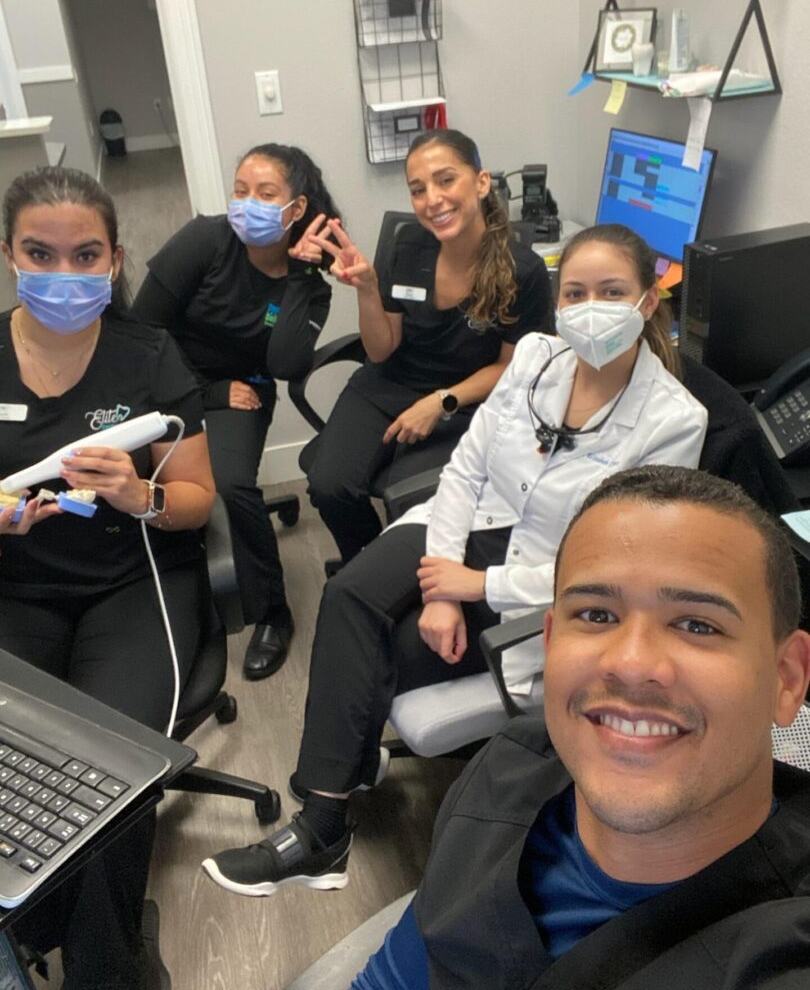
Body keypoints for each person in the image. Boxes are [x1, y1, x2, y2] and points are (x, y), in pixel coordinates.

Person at [202, 223, 709, 897]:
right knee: (350, 592)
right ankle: (329, 809)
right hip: (474, 522)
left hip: (547, 581)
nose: (590, 307)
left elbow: (625, 571)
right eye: (576, 291)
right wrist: (444, 586)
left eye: (612, 291)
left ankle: (323, 822)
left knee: (383, 645)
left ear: (647, 303)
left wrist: (478, 585)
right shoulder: (535, 357)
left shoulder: (674, 419)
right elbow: (466, 469)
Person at [350, 465, 810, 989]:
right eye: (595, 615)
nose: (631, 664)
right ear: (551, 643)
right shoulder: (508, 766)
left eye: (697, 624)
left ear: (786, 679)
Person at [0, 165, 216, 990]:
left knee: (113, 777)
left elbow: (196, 503)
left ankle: (110, 966)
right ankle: (38, 917)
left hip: (134, 585)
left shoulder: (147, 355)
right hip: (15, 587)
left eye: (85, 255)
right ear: (10, 254)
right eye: (40, 254)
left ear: (115, 259)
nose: (64, 274)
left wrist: (140, 494)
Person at [133, 143, 339, 680]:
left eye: (266, 194)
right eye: (240, 190)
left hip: (244, 389)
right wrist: (206, 393)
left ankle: (272, 611)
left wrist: (296, 277)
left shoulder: (310, 288)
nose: (247, 203)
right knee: (127, 473)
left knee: (230, 485)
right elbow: (140, 334)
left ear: (296, 209)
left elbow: (287, 364)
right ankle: (158, 595)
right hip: (168, 382)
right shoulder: (205, 240)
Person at [305, 128, 553, 568]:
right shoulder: (408, 245)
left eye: (445, 180)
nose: (432, 199)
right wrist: (366, 289)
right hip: (388, 385)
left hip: (465, 402)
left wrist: (441, 401)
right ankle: (367, 568)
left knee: (411, 500)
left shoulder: (522, 271)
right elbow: (381, 351)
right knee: (329, 484)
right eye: (418, 190)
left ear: (480, 182)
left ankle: (403, 573)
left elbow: (512, 367)